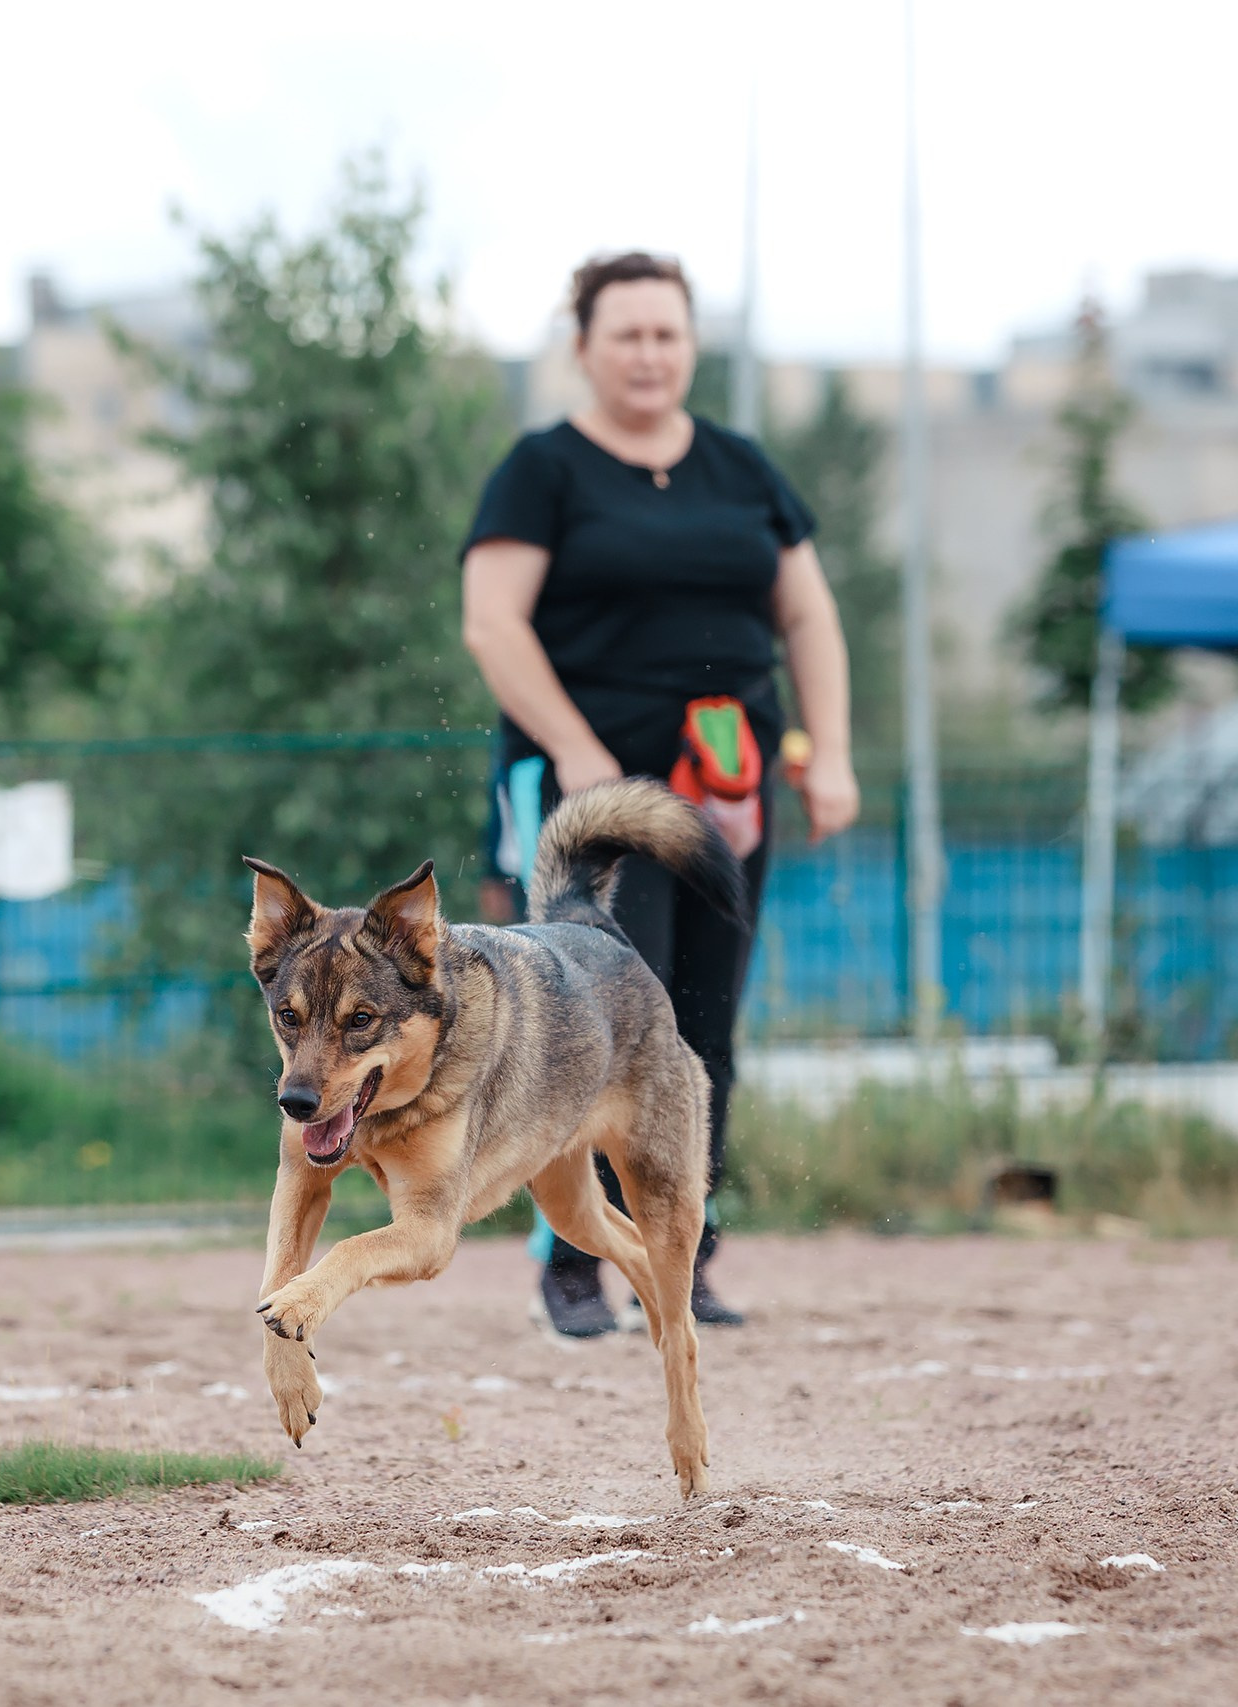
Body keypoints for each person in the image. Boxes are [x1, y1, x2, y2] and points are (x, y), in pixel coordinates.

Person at [460, 251, 859, 1337]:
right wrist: (581, 752)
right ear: (583, 347)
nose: (648, 354)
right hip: (587, 792)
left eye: (665, 334)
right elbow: (493, 623)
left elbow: (809, 617)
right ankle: (573, 1264)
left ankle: (685, 1251)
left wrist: (829, 755)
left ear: (691, 346)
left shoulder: (741, 468)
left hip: (722, 784)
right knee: (580, 1026)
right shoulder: (543, 470)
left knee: (699, 1024)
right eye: (625, 334)